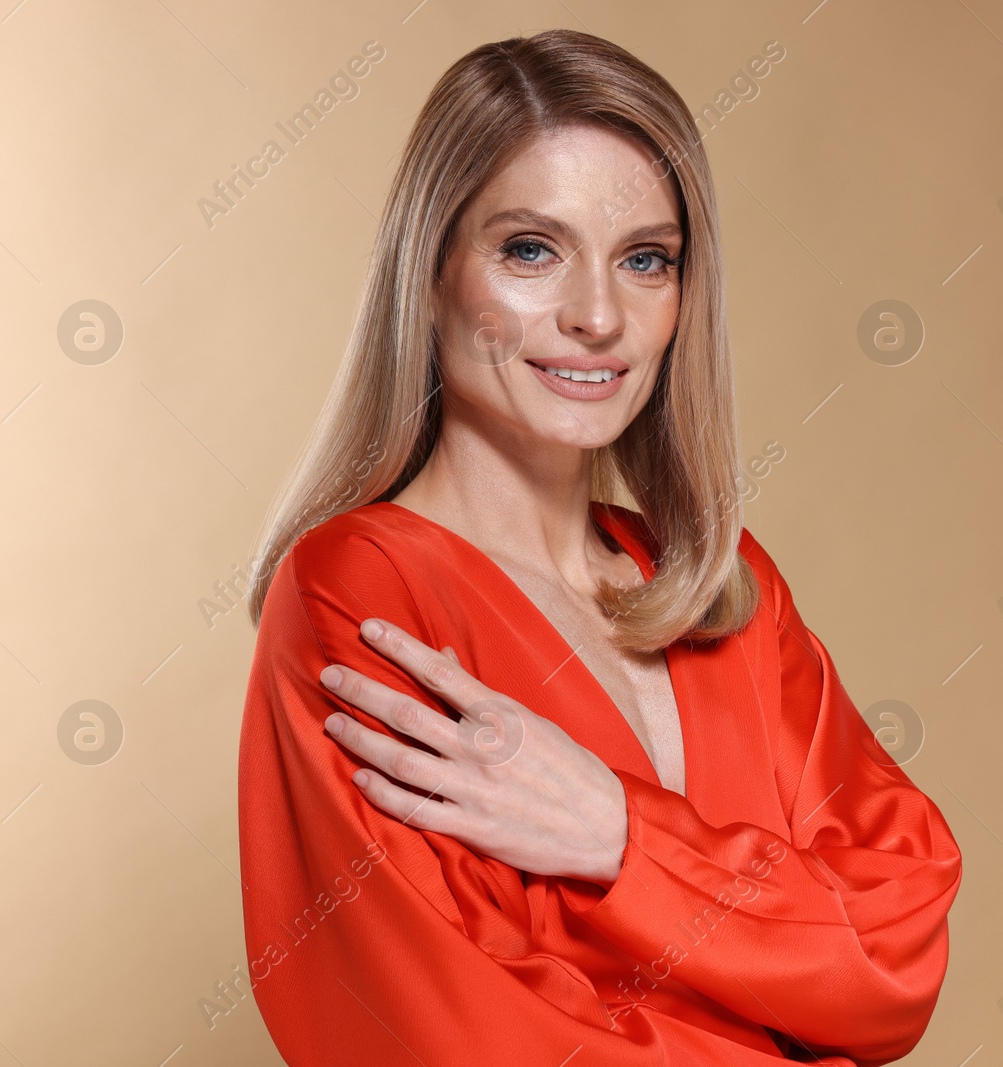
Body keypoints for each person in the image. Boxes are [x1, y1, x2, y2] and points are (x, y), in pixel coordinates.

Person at [236, 28, 962, 1066]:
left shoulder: (721, 588)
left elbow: (892, 957)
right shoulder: (361, 593)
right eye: (530, 249)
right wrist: (774, 950)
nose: (595, 316)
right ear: (431, 272)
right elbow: (459, 1029)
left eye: (645, 260)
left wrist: (620, 833)